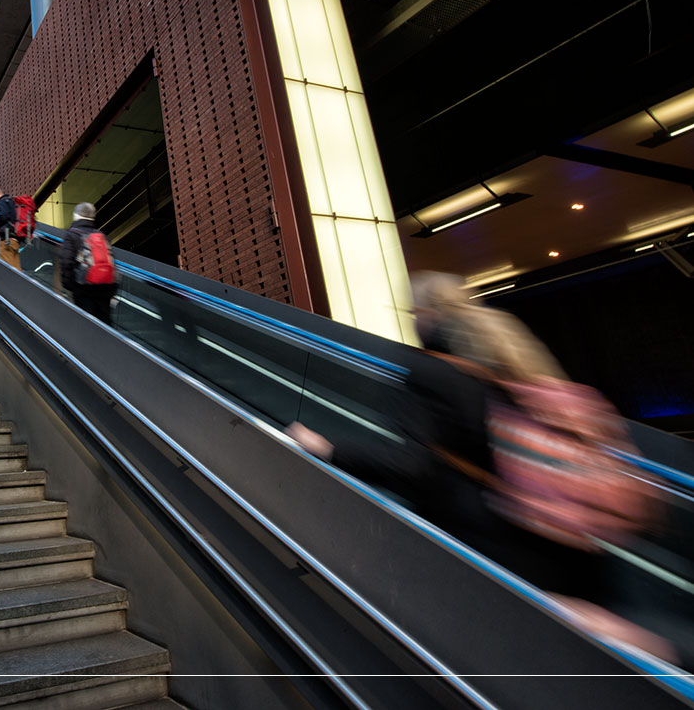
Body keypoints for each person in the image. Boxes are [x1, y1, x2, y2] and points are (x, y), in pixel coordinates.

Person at [286, 271, 678, 661]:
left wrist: (328, 448)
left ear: (425, 314)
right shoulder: (511, 355)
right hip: (575, 537)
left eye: (413, 312)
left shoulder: (432, 372)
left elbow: (413, 464)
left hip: (498, 539)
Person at [58, 202, 117, 325]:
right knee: (105, 324)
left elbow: (66, 262)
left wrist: (69, 286)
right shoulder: (101, 235)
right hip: (105, 288)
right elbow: (112, 262)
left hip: (83, 288)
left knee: (87, 323)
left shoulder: (71, 234)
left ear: (76, 215)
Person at [0, 187, 23, 269]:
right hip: (16, 240)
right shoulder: (12, 202)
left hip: (7, 240)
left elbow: (4, 216)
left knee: (7, 269)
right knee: (17, 270)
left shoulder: (2, 201)